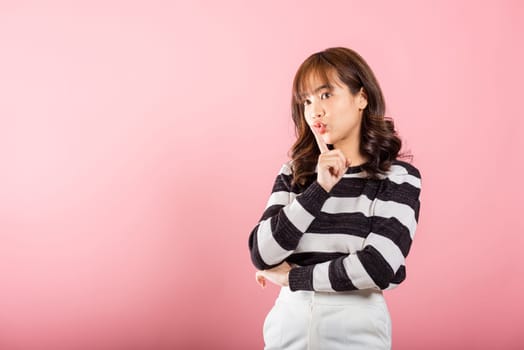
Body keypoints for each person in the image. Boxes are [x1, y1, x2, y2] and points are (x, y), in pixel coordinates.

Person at [248, 47, 422, 350]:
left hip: (356, 327)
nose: (315, 110)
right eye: (307, 100)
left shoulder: (397, 178)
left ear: (362, 98)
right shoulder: (295, 173)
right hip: (288, 326)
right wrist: (320, 188)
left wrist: (294, 279)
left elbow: (377, 266)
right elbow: (262, 252)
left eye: (326, 95)